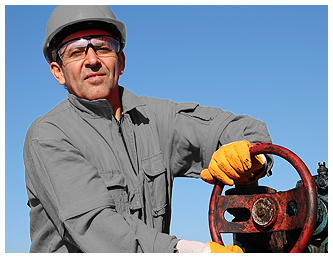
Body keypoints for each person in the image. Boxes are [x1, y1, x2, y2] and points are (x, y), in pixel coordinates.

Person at [23, 5, 273, 253]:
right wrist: (193, 251)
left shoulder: (155, 118)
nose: (92, 60)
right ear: (58, 72)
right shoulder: (48, 135)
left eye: (102, 48)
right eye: (76, 52)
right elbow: (97, 227)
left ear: (120, 62)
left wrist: (249, 156)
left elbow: (243, 129)